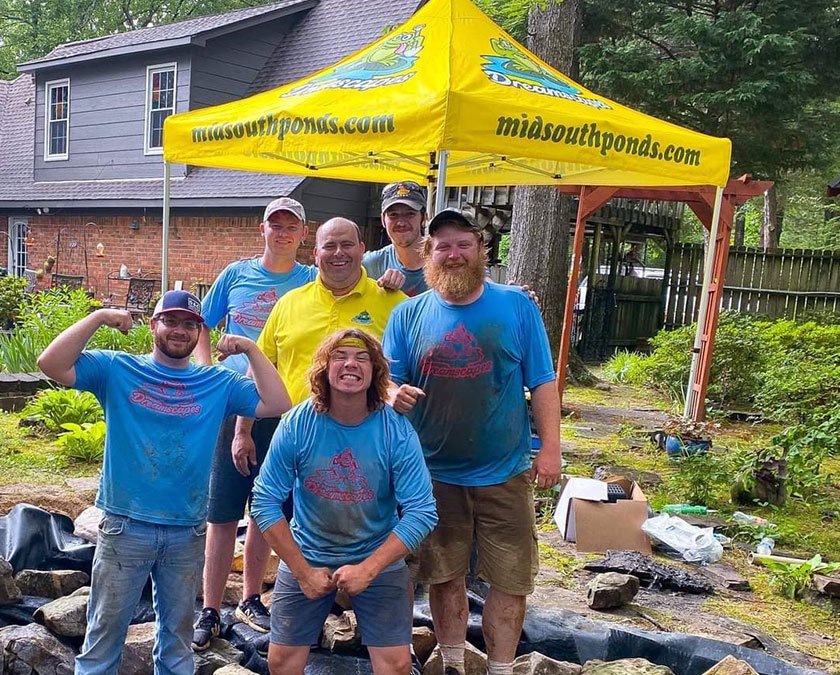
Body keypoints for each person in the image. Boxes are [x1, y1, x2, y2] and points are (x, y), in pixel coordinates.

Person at [36, 290, 289, 675]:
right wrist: (100, 316)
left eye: (189, 324)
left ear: (199, 332)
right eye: (170, 321)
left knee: (176, 647)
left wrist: (251, 348)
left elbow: (277, 403)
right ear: (154, 326)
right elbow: (50, 363)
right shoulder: (118, 369)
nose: (179, 330)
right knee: (103, 642)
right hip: (126, 526)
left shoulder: (216, 383)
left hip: (186, 531)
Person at [383, 209, 563, 675]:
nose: (454, 254)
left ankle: (502, 668)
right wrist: (391, 393)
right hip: (432, 472)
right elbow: (385, 381)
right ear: (428, 255)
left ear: (482, 252)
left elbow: (542, 380)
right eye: (443, 245)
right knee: (444, 574)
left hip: (504, 469)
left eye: (464, 244)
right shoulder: (407, 315)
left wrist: (550, 448)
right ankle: (454, 662)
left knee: (510, 577)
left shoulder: (516, 306)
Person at [251, 329, 437, 675]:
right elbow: (263, 501)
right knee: (280, 662)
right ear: (324, 368)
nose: (350, 364)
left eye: (362, 357)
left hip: (376, 554)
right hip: (308, 553)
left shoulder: (395, 430)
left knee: (397, 666)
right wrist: (303, 572)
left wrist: (370, 568)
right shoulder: (297, 424)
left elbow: (422, 511)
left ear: (376, 372)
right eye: (340, 356)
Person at [192, 197, 316, 649]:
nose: (282, 234)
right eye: (275, 225)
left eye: (291, 227)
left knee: (269, 509)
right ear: (261, 229)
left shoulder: (312, 281)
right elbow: (202, 323)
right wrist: (208, 372)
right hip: (234, 404)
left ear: (304, 234)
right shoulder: (236, 274)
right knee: (223, 509)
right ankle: (209, 607)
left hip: (286, 410)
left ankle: (250, 598)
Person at [251, 217, 407, 412]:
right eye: (330, 246)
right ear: (316, 254)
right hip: (296, 433)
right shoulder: (288, 303)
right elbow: (258, 371)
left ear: (361, 249)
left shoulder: (396, 304)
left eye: (347, 244)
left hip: (371, 434)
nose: (339, 253)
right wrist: (242, 431)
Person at [363, 181, 429, 297]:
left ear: (423, 218)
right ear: (383, 220)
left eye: (410, 214)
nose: (401, 223)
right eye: (393, 215)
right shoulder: (371, 264)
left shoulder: (442, 260)